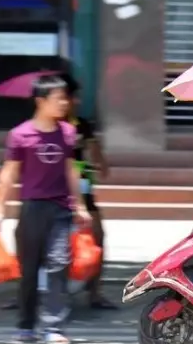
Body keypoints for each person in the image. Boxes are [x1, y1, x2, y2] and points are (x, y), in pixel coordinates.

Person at [0, 75, 92, 343]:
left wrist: (80, 205)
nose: (64, 103)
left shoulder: (68, 133)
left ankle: (54, 327)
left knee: (59, 265)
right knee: (30, 271)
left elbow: (71, 170)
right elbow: (8, 175)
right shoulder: (20, 135)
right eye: (58, 99)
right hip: (31, 209)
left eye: (65, 99)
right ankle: (26, 326)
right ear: (40, 101)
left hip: (60, 209)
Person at [59, 72, 115, 309]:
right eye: (73, 97)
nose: (77, 102)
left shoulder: (82, 125)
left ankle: (94, 293)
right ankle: (25, 293)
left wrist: (98, 161)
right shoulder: (42, 127)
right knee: (32, 240)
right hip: (50, 192)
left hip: (82, 187)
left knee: (98, 237)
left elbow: (99, 159)